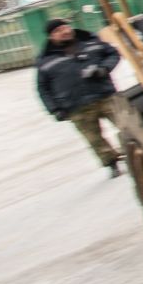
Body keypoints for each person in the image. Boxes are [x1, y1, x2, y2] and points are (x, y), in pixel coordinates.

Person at [36, 18, 123, 175]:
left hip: (105, 95)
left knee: (126, 124)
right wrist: (54, 109)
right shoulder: (45, 60)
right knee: (95, 139)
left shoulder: (90, 41)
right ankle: (111, 163)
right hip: (76, 107)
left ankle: (136, 150)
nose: (64, 31)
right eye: (58, 31)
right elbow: (43, 88)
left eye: (65, 27)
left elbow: (113, 53)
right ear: (51, 37)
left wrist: (103, 69)